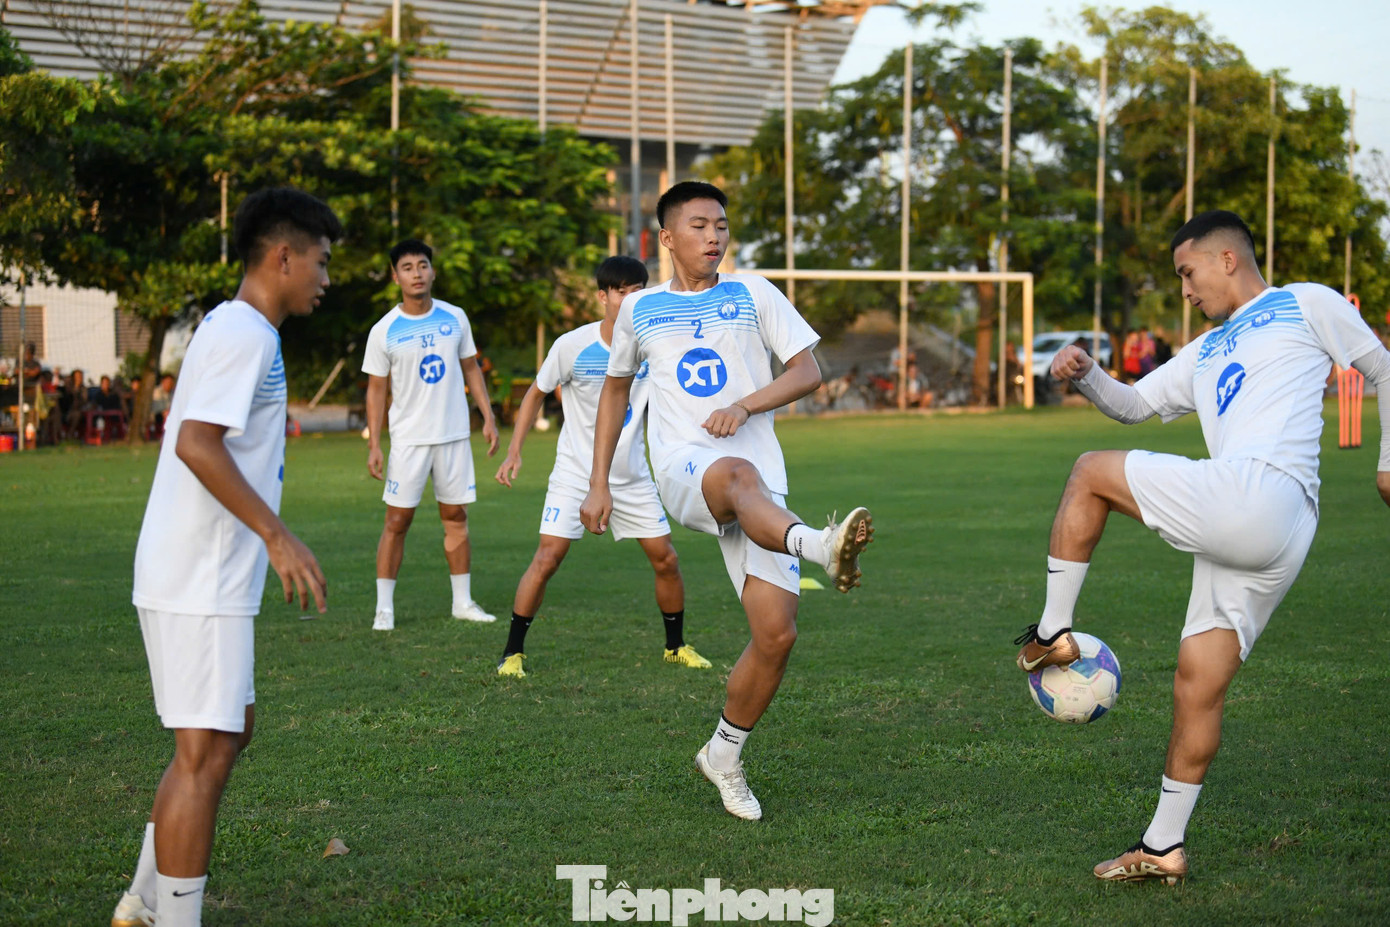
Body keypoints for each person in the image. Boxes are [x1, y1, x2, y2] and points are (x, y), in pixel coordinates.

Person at [1013, 209, 1390, 884]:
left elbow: (1381, 367)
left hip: (1262, 490)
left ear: (1226, 259)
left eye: (1188, 273)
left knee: (1089, 472)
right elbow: (1133, 405)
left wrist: (1388, 462)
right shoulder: (1205, 349)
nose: (1185, 290)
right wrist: (1087, 373)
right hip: (1274, 531)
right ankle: (1163, 846)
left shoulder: (1304, 302)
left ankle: (1050, 634)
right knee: (1197, 684)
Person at [580, 181, 875, 822]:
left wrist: (743, 405)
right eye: (698, 226)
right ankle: (821, 543)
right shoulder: (640, 309)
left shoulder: (755, 293)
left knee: (776, 635)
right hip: (687, 469)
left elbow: (807, 371)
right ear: (667, 238)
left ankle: (723, 753)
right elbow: (614, 392)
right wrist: (598, 481)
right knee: (735, 471)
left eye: (720, 225)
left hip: (761, 488)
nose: (713, 236)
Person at [111, 187, 337, 927]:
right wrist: (278, 535)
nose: (326, 278)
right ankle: (170, 917)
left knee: (228, 731)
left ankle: (142, 901)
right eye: (320, 262)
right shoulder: (246, 334)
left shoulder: (232, 324)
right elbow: (196, 443)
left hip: (202, 573)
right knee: (204, 753)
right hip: (198, 574)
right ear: (283, 257)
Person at [493, 256, 708, 677]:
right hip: (575, 475)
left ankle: (675, 646)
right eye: (620, 292)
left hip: (631, 476)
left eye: (637, 291)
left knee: (666, 559)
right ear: (602, 297)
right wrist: (514, 450)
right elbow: (535, 393)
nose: (629, 299)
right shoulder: (572, 345)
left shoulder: (654, 346)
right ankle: (512, 652)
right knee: (548, 557)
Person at [362, 238, 500, 631]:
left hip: (453, 435)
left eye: (422, 265)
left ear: (433, 271)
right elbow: (376, 389)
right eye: (407, 268)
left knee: (455, 516)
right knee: (397, 521)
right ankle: (384, 610)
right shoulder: (384, 330)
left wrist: (487, 416)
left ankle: (462, 603)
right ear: (395, 277)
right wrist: (374, 444)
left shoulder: (455, 318)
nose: (416, 274)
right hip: (408, 440)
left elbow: (471, 368)